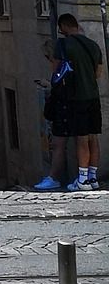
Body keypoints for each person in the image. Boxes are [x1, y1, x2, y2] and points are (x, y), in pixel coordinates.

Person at [54, 12, 103, 192]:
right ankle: (93, 177)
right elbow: (99, 74)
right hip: (93, 96)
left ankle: (82, 179)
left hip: (76, 97)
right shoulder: (94, 45)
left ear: (64, 27)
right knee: (93, 137)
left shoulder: (63, 45)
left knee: (81, 138)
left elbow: (56, 71)